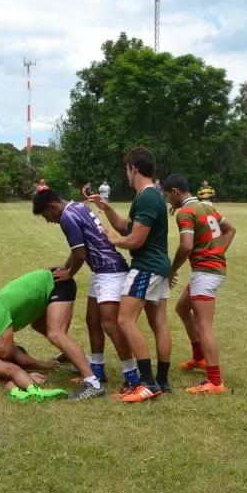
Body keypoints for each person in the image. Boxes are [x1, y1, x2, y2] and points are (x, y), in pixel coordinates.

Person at [32, 189, 139, 395]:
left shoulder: (67, 217)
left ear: (52, 207)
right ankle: (97, 370)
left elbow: (80, 254)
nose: (48, 221)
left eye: (46, 216)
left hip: (111, 271)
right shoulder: (78, 207)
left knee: (111, 324)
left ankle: (132, 377)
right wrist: (65, 268)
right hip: (102, 272)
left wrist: (70, 273)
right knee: (92, 320)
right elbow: (77, 250)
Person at [89, 147, 172, 403]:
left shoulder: (147, 197)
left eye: (126, 169)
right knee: (158, 323)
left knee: (124, 320)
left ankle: (147, 383)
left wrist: (113, 241)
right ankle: (162, 380)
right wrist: (106, 208)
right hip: (158, 266)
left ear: (134, 169)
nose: (125, 174)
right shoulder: (150, 195)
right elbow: (128, 226)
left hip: (146, 266)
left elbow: (135, 239)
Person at [0, 269, 103, 401]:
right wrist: (43, 365)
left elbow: (6, 352)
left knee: (55, 333)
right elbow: (19, 356)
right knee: (38, 325)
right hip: (48, 287)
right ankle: (77, 358)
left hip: (57, 283)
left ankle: (93, 383)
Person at [163, 175, 236, 395]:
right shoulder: (206, 207)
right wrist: (217, 251)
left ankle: (215, 382)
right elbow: (230, 229)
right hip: (208, 271)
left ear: (175, 192)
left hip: (206, 273)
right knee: (182, 308)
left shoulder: (186, 212)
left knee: (204, 325)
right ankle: (199, 358)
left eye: (168, 197)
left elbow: (186, 246)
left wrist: (171, 269)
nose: (168, 202)